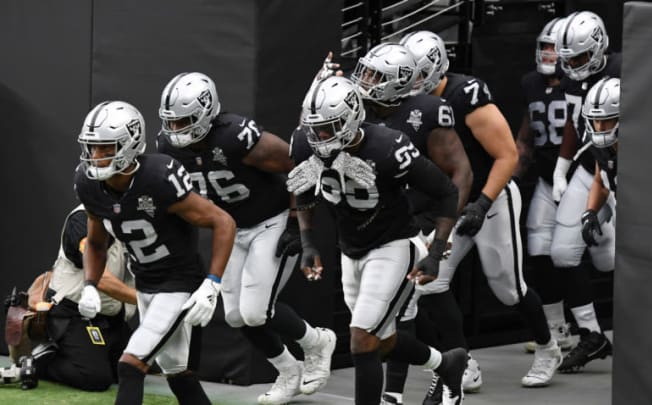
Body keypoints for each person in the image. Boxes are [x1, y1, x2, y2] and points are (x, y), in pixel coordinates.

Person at [156, 72, 337, 405]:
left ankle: (317, 342)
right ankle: (288, 369)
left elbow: (300, 165)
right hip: (233, 229)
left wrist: (297, 224)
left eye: (184, 121)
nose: (176, 130)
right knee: (235, 316)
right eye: (171, 122)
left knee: (254, 313)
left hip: (271, 220)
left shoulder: (235, 136)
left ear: (205, 112)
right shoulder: (168, 145)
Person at [288, 76, 468, 405]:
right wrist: (308, 242)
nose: (320, 137)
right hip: (351, 249)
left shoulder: (387, 146)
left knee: (360, 340)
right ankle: (447, 363)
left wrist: (436, 250)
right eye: (315, 128)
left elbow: (446, 191)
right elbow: (302, 188)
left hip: (394, 246)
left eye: (329, 128)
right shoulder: (304, 142)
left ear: (352, 118)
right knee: (380, 341)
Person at [401, 30, 562, 396]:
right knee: (429, 285)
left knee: (509, 289)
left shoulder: (465, 96)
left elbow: (508, 155)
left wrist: (483, 203)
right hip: (447, 203)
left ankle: (549, 347)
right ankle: (463, 363)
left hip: (489, 199)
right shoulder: (407, 101)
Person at [74, 100, 237, 405]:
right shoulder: (89, 184)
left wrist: (212, 282)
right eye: (92, 147)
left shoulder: (158, 177)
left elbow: (223, 221)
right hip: (146, 284)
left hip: (178, 284)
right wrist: (90, 285)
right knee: (178, 374)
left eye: (105, 148)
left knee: (130, 364)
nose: (95, 156)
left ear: (129, 144)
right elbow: (96, 243)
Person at [349, 42, 474, 405]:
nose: (365, 81)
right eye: (366, 72)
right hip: (374, 221)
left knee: (392, 316)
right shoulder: (356, 111)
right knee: (382, 323)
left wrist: (441, 232)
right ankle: (446, 365)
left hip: (415, 220)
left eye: (376, 76)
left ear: (399, 81)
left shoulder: (428, 110)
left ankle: (395, 392)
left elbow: (459, 172)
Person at [549, 11, 618, 373]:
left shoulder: (626, 69)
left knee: (615, 259)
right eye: (568, 59)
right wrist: (562, 167)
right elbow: (576, 124)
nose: (573, 66)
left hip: (626, 169)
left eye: (578, 57)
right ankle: (592, 335)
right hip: (591, 168)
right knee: (562, 252)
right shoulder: (573, 79)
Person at [9, 205, 137, 391]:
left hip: (110, 317)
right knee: (95, 378)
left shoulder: (129, 219)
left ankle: (69, 353)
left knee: (131, 368)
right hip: (73, 312)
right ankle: (43, 359)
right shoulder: (82, 219)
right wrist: (142, 299)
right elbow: (98, 278)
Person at [513, 17, 575, 353]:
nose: (549, 53)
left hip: (582, 175)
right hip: (547, 176)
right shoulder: (530, 83)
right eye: (545, 46)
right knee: (538, 248)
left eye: (555, 47)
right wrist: (511, 175)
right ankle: (556, 327)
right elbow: (526, 135)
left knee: (604, 256)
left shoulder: (581, 82)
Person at [581, 78, 619, 272]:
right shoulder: (602, 148)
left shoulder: (641, 148)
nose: (600, 128)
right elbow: (601, 181)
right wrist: (590, 213)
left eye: (607, 120)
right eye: (596, 120)